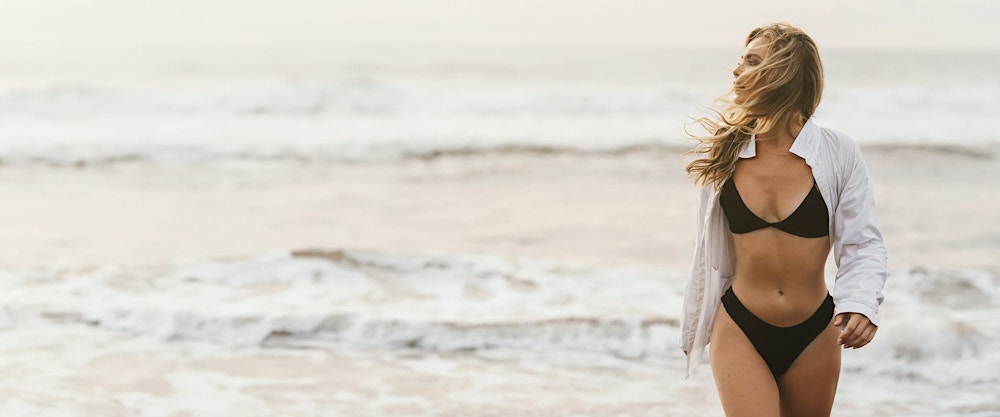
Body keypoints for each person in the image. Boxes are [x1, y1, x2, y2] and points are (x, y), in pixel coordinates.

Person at [678, 23, 888, 417]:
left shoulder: (838, 153)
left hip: (814, 332)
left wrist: (861, 304)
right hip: (740, 324)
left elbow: (862, 242)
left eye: (752, 62)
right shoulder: (725, 155)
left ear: (784, 73)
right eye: (741, 61)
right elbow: (708, 253)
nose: (737, 72)